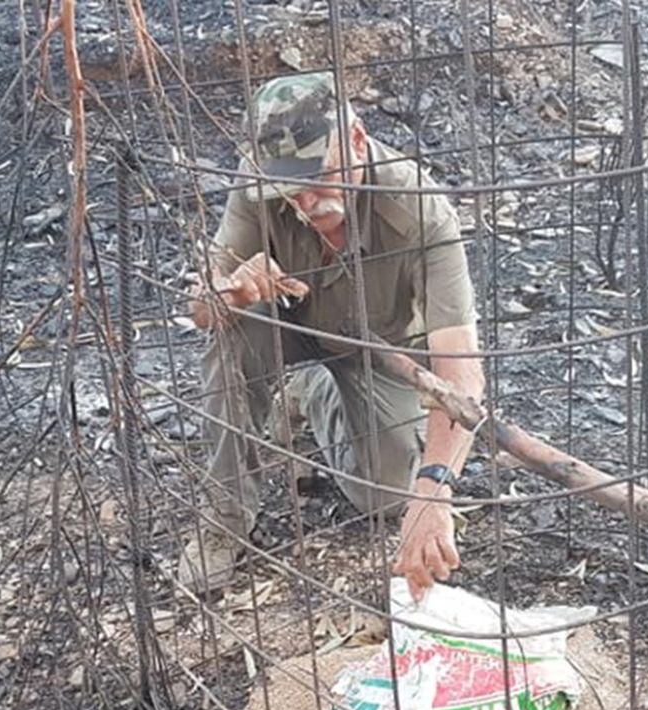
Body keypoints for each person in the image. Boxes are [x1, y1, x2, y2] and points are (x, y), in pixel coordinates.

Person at [179, 72, 485, 600]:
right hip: (287, 325)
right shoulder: (258, 185)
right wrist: (232, 294)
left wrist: (433, 495)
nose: (306, 201)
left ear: (359, 140)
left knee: (389, 495)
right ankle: (225, 519)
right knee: (230, 335)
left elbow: (460, 370)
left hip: (376, 351)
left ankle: (315, 395)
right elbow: (200, 310)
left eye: (319, 177)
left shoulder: (419, 211)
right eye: (289, 189)